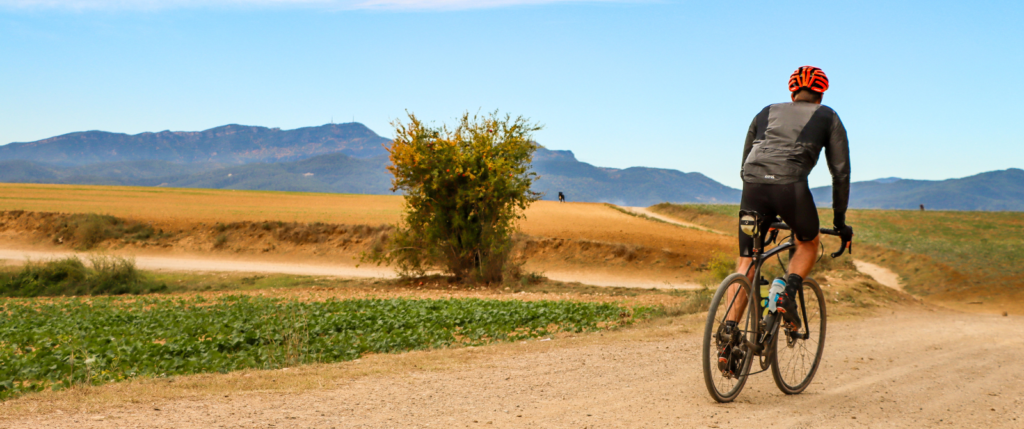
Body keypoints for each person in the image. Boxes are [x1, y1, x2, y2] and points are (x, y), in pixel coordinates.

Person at [725, 66, 852, 338]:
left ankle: (728, 333)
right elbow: (840, 172)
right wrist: (840, 222)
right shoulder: (828, 115)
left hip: (752, 184)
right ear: (821, 95)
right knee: (808, 241)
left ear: (792, 92)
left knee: (746, 259)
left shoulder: (766, 111)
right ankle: (787, 294)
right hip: (790, 185)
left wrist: (767, 216)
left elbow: (746, 158)